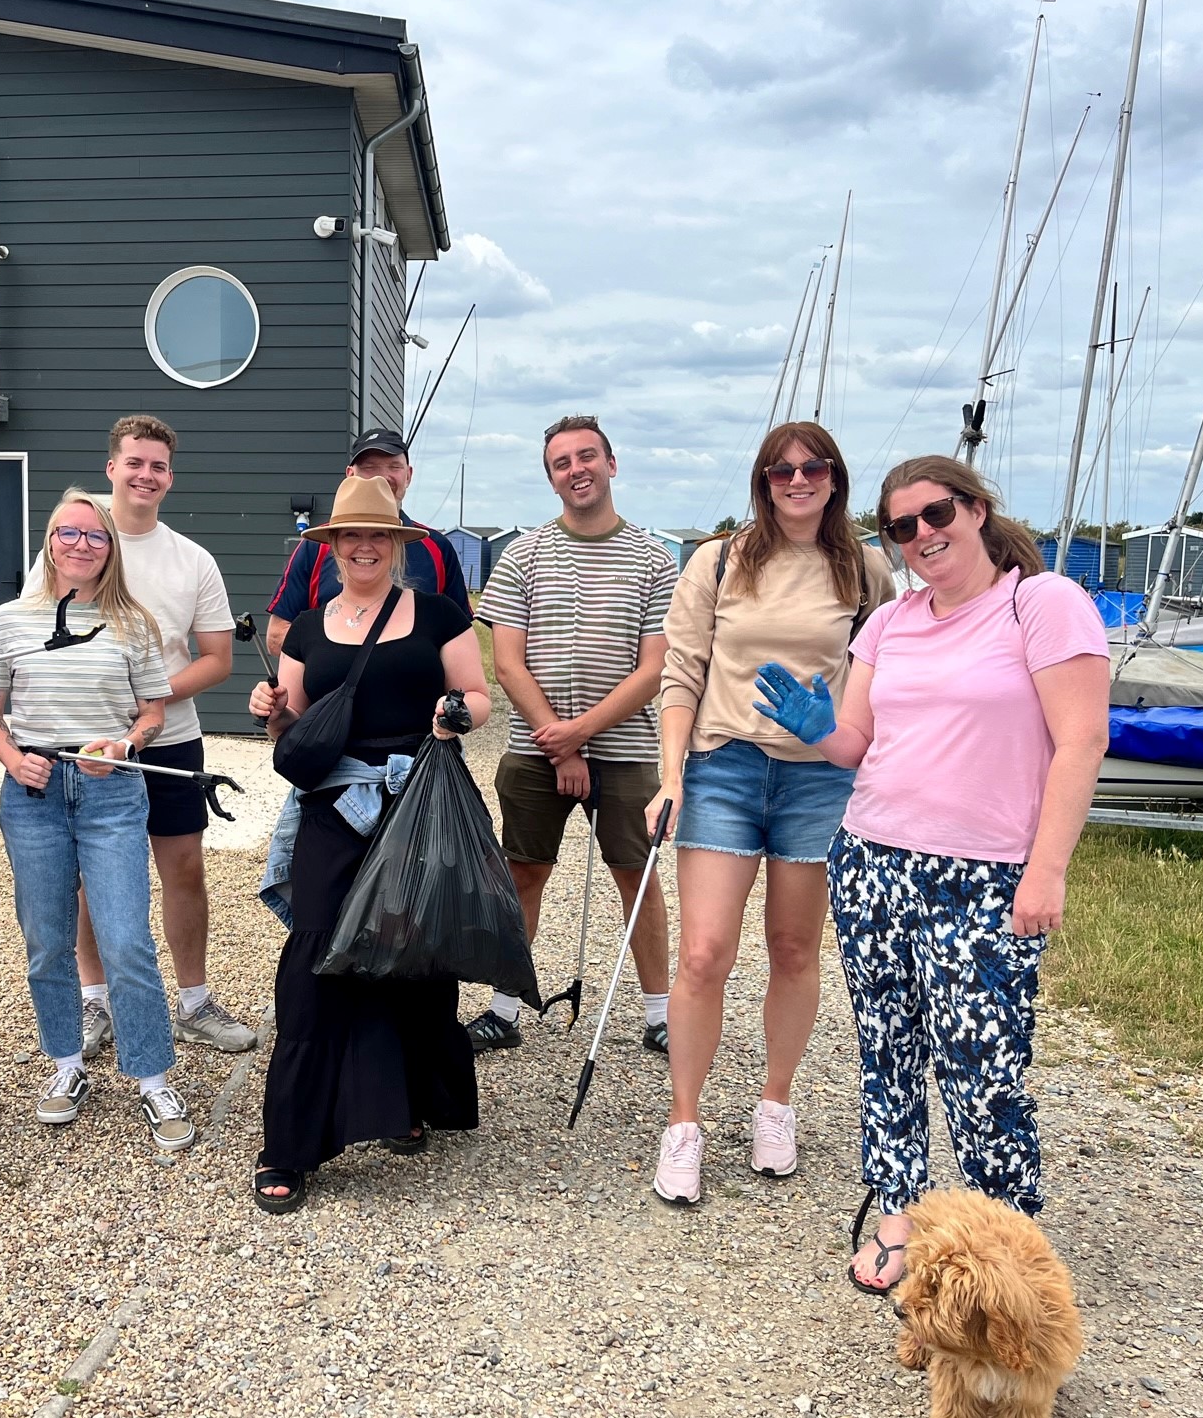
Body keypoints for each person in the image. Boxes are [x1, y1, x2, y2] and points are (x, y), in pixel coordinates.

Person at [752, 454, 1108, 1291]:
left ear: (978, 510)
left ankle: (1001, 1243)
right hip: (873, 858)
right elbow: (857, 742)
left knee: (982, 1069)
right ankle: (898, 1212)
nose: (922, 537)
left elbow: (1082, 741)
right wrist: (818, 728)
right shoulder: (890, 624)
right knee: (888, 1051)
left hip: (986, 875)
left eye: (937, 515)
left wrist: (1046, 870)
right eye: (901, 528)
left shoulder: (1042, 604)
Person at [643, 422, 894, 1208]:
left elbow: (882, 671)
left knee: (793, 948)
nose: (797, 480)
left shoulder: (868, 569)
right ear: (762, 479)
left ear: (834, 477)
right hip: (724, 767)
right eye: (781, 469)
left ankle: (775, 1103)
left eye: (812, 467)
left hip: (818, 780)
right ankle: (684, 1123)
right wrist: (671, 776)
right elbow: (681, 672)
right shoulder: (718, 562)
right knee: (703, 954)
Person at [248, 474, 492, 1213]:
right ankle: (289, 1143)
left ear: (395, 544)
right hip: (333, 808)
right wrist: (269, 708)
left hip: (418, 801)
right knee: (317, 959)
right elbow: (287, 727)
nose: (363, 546)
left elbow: (476, 697)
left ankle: (405, 1104)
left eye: (376, 536)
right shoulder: (312, 628)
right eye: (349, 536)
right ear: (332, 548)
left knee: (409, 954)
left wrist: (454, 712)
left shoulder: (440, 613)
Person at [0, 489, 197, 1151]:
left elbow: (153, 713)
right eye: (69, 533)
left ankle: (152, 1076)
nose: (81, 545)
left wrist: (125, 746)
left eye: (95, 537)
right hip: (34, 793)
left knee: (127, 938)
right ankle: (67, 1064)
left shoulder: (134, 624)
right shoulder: (12, 619)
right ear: (50, 541)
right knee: (46, 938)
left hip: (111, 792)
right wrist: (11, 759)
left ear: (110, 549)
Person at [36, 416, 255, 1057]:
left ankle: (193, 1001)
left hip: (168, 742)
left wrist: (154, 698)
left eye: (158, 466)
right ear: (112, 468)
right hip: (87, 744)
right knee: (87, 878)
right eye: (135, 462)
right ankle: (95, 1000)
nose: (145, 475)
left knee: (183, 868)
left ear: (170, 478)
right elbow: (36, 629)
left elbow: (216, 656)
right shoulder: (75, 541)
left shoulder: (192, 560)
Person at [469, 414, 677, 1054]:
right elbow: (507, 661)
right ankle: (505, 1008)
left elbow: (655, 666)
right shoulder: (523, 556)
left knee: (635, 877)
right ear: (551, 477)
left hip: (627, 751)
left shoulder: (653, 559)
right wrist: (554, 740)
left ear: (611, 465)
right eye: (562, 462)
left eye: (587, 456)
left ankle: (660, 1014)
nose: (576, 469)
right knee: (523, 871)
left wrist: (578, 736)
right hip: (535, 749)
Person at [264, 428, 471, 656]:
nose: (382, 477)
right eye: (369, 467)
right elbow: (276, 637)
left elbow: (461, 637)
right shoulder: (315, 546)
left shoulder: (438, 548)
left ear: (409, 475)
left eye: (394, 467)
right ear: (350, 474)